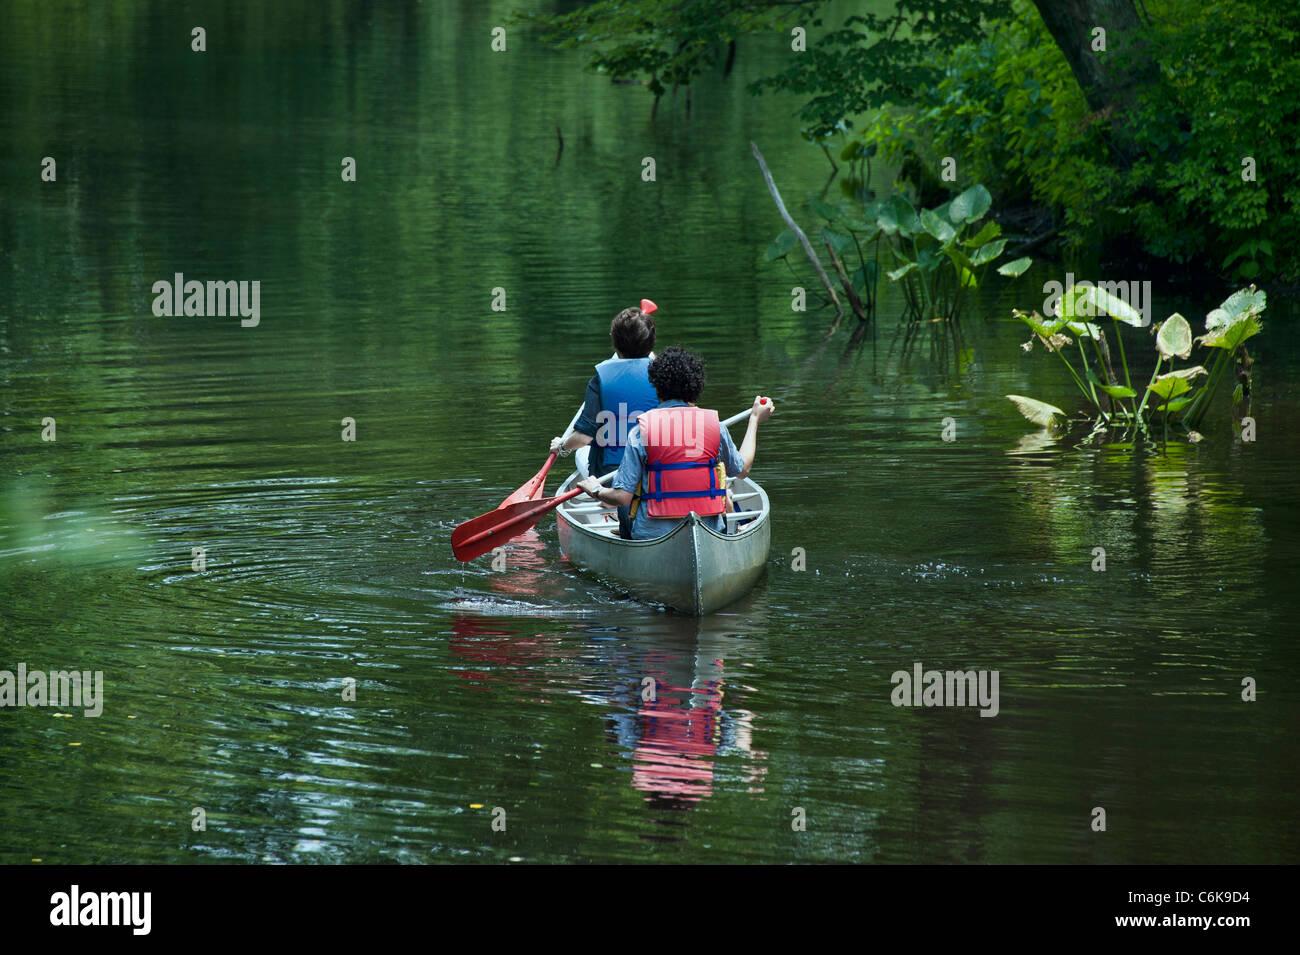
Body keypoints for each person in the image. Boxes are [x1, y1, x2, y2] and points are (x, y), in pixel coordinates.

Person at [578, 346, 774, 540]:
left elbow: (622, 497)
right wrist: (754, 419)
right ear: (696, 386)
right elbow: (743, 470)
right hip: (707, 530)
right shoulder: (715, 426)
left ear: (656, 385)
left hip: (651, 535)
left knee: (626, 509)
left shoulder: (640, 432)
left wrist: (596, 489)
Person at [551, 301, 659, 537]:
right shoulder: (665, 375)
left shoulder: (601, 380)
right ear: (651, 342)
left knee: (579, 451)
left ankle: (608, 501)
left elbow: (584, 437)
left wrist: (561, 446)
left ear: (614, 342)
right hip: (661, 472)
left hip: (614, 478)